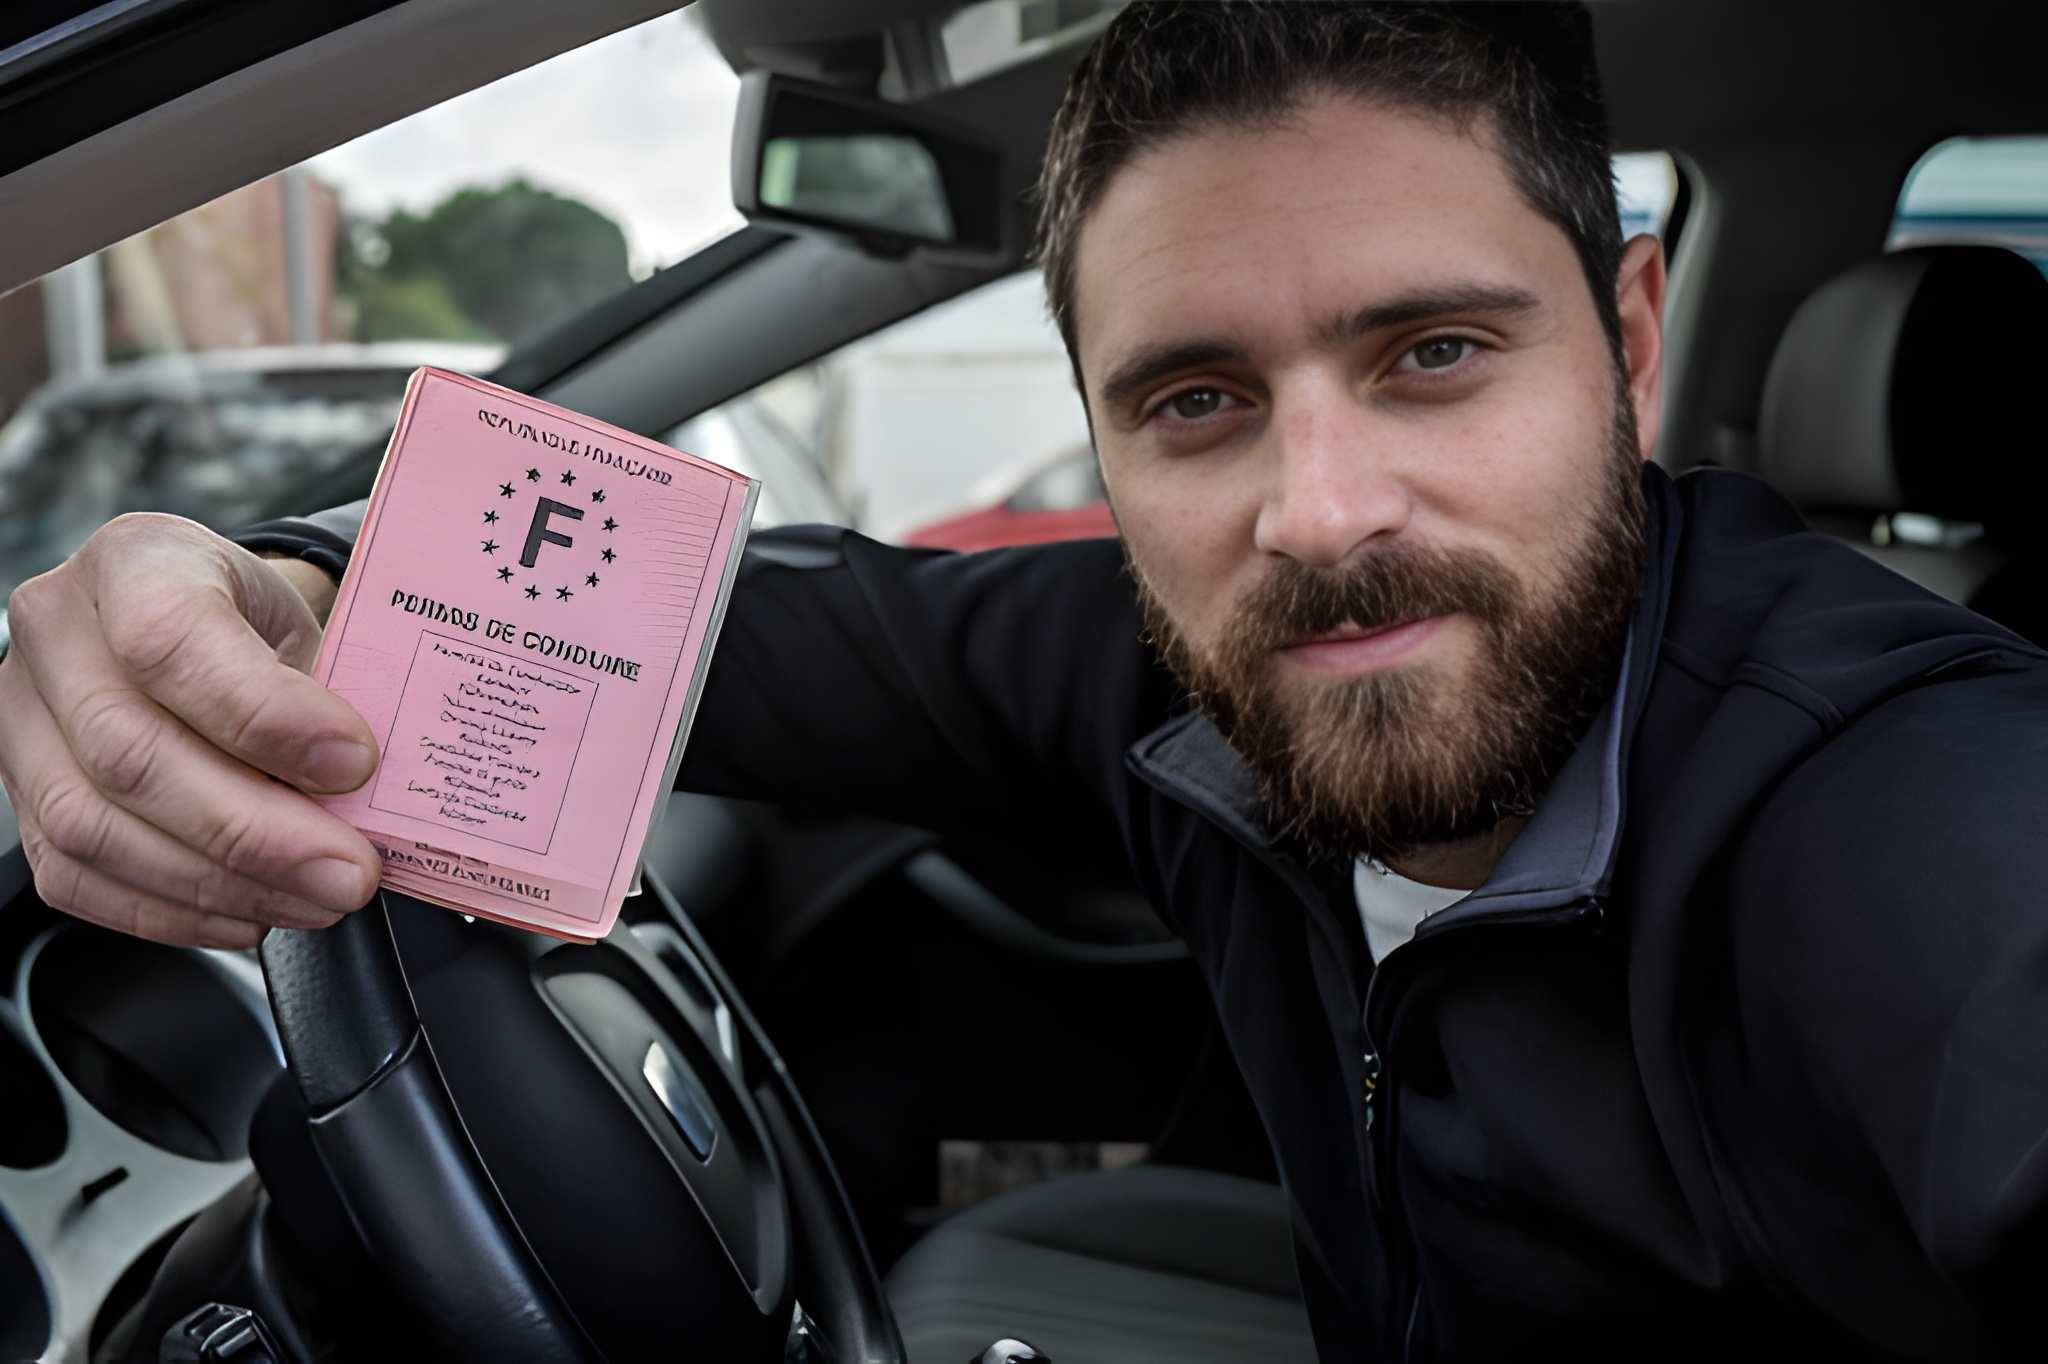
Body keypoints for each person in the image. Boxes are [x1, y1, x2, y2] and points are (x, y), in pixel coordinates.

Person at [3, 3, 2044, 1357]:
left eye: (1433, 354)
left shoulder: (1908, 811)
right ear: (1104, 435)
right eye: (1196, 400)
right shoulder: (1172, 660)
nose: (1323, 511)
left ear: (1629, 341)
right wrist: (275, 587)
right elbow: (738, 618)